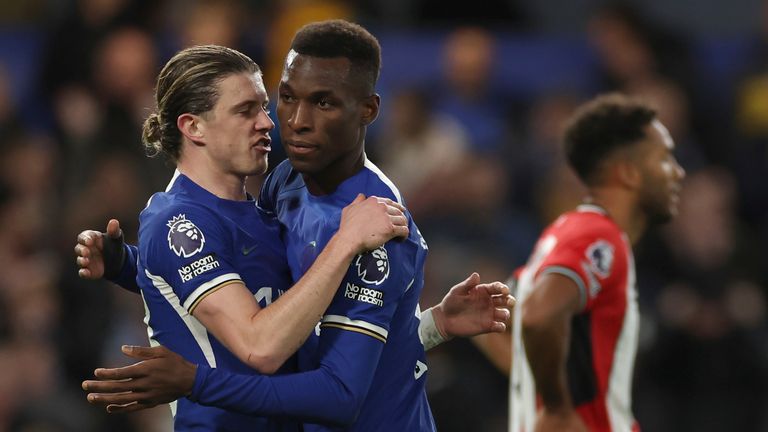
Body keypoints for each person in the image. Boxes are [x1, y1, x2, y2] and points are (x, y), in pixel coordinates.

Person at [77, 21, 513, 431]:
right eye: (277, 101)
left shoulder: (374, 224)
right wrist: (134, 266)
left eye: (321, 102)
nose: (277, 122)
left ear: (368, 110)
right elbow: (261, 333)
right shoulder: (272, 195)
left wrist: (426, 324)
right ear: (193, 127)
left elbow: (330, 364)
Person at [497, 93, 685, 431]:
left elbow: (497, 315)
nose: (678, 172)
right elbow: (539, 316)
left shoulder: (564, 231)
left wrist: (540, 390)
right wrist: (556, 407)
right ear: (628, 173)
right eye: (665, 158)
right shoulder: (598, 236)